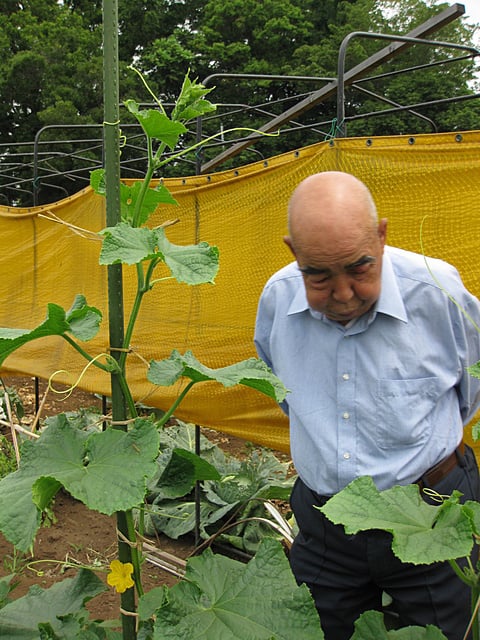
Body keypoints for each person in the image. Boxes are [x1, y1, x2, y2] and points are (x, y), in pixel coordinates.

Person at [254, 171, 480, 640]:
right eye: (318, 274)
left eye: (360, 268)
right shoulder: (277, 299)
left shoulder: (437, 293)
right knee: (312, 631)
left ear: (381, 236)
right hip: (324, 523)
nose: (342, 295)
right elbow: (281, 387)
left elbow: (470, 388)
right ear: (294, 252)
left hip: (430, 515)